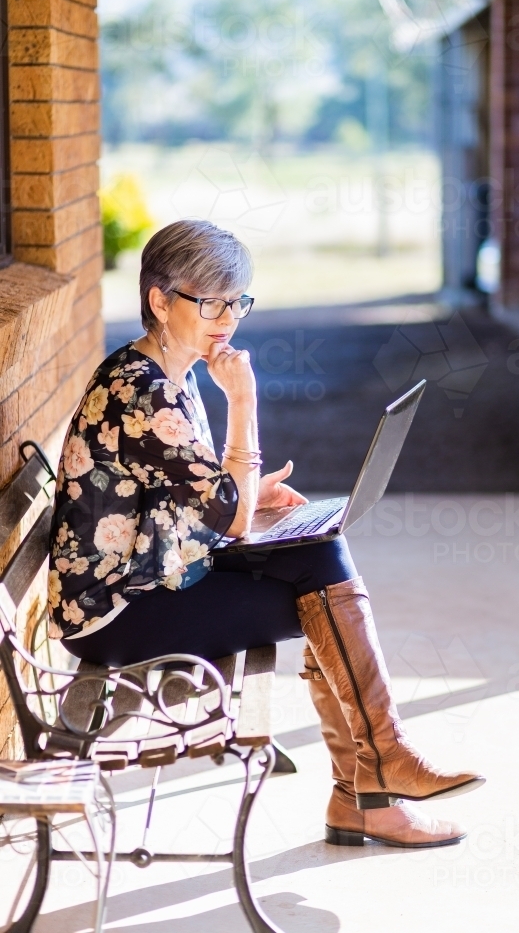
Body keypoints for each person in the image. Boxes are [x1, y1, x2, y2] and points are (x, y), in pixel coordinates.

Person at [48, 219, 484, 848]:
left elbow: (207, 503)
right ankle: (373, 786)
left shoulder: (172, 370)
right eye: (211, 301)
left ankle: (372, 783)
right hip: (116, 611)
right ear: (160, 301)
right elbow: (224, 513)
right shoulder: (139, 393)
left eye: (237, 301)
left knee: (320, 555)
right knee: (324, 592)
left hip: (154, 569)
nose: (227, 318)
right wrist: (244, 404)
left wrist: (254, 502)